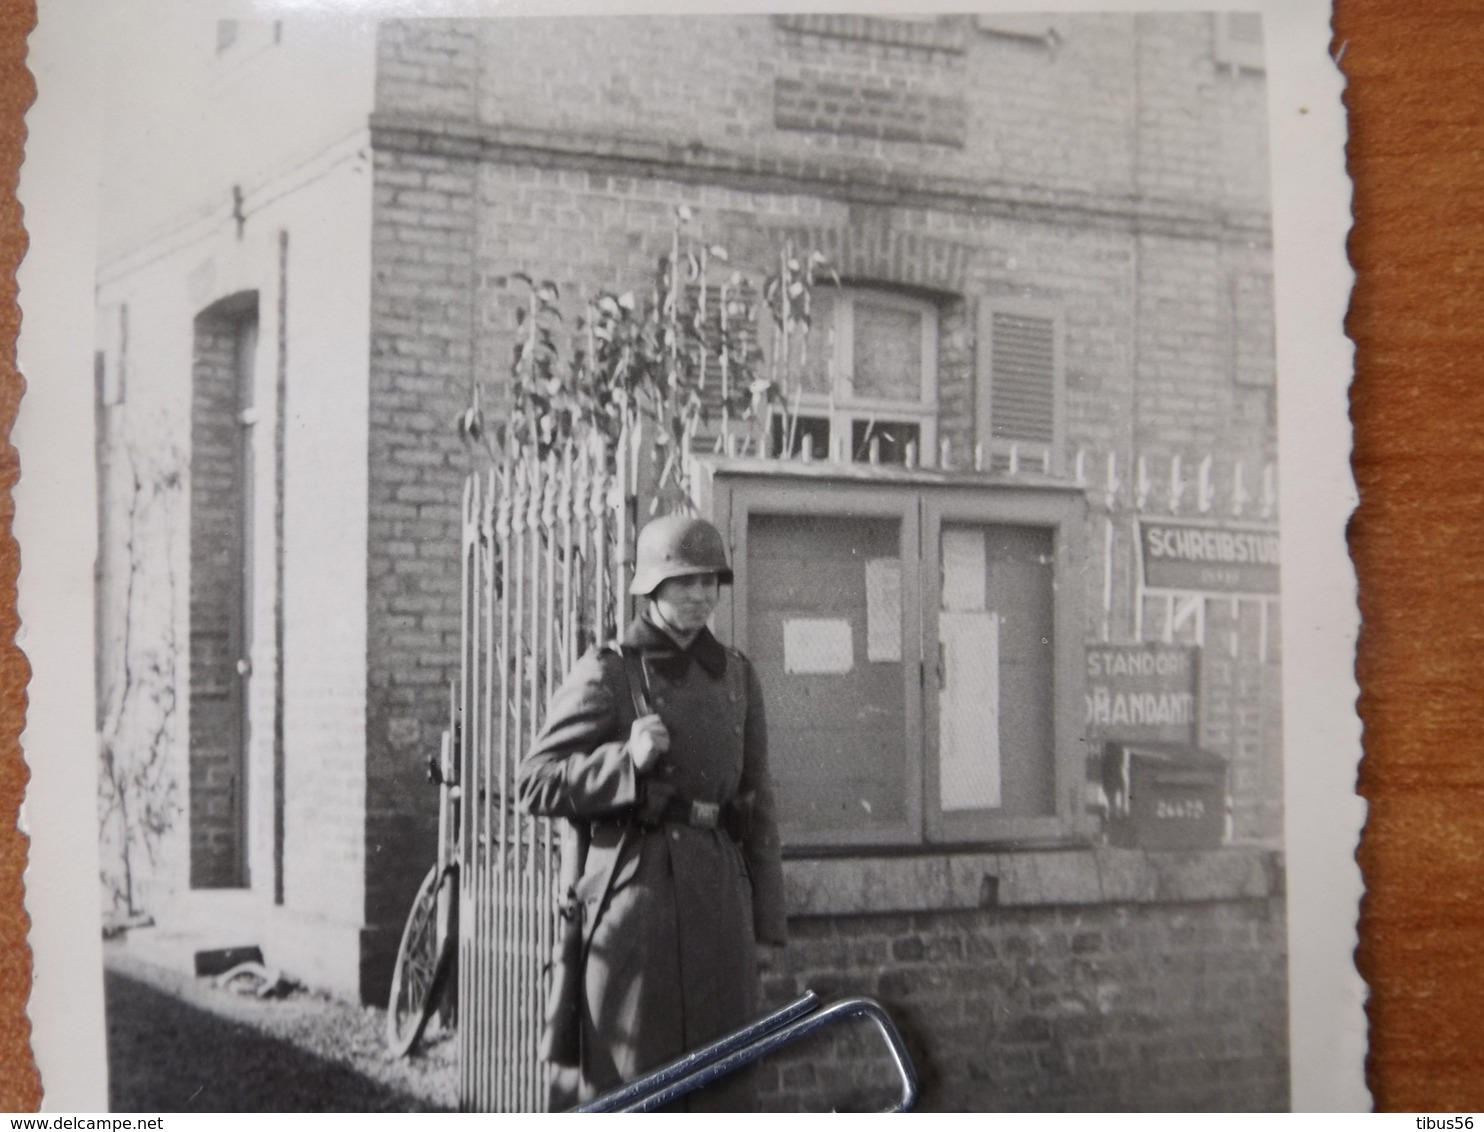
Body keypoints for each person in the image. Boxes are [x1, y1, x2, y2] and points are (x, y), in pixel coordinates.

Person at [519, 513, 787, 1110]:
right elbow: (534, 783)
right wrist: (623, 761)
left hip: (720, 902)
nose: (698, 595)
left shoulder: (739, 675)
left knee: (723, 1084)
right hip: (638, 902)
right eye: (682, 581)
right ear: (651, 586)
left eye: (709, 581)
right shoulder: (611, 671)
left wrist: (766, 922)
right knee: (637, 1082)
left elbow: (758, 801)